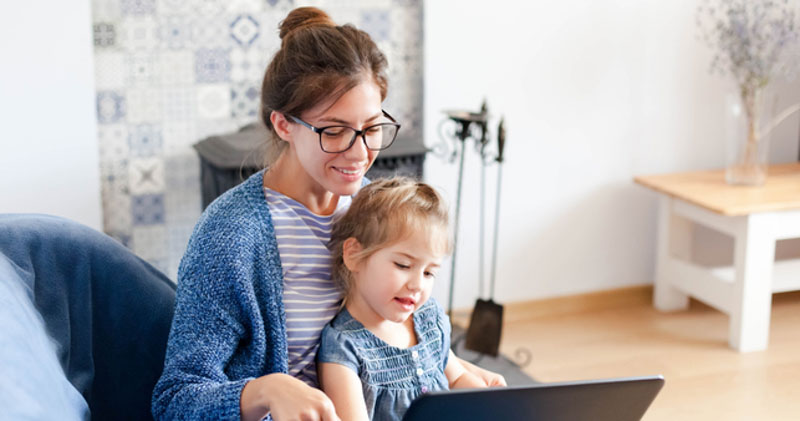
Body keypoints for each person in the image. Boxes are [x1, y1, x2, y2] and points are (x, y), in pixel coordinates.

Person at [152, 7, 505, 421]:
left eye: (372, 128)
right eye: (334, 131)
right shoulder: (232, 235)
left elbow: (417, 328)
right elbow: (176, 400)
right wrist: (265, 390)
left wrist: (458, 375)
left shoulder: (378, 207)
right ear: (283, 124)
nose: (360, 153)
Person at [318, 178, 491, 421]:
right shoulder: (344, 347)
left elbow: (457, 377)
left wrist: (491, 403)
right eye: (403, 265)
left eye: (429, 272)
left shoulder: (429, 319)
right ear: (354, 255)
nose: (418, 284)